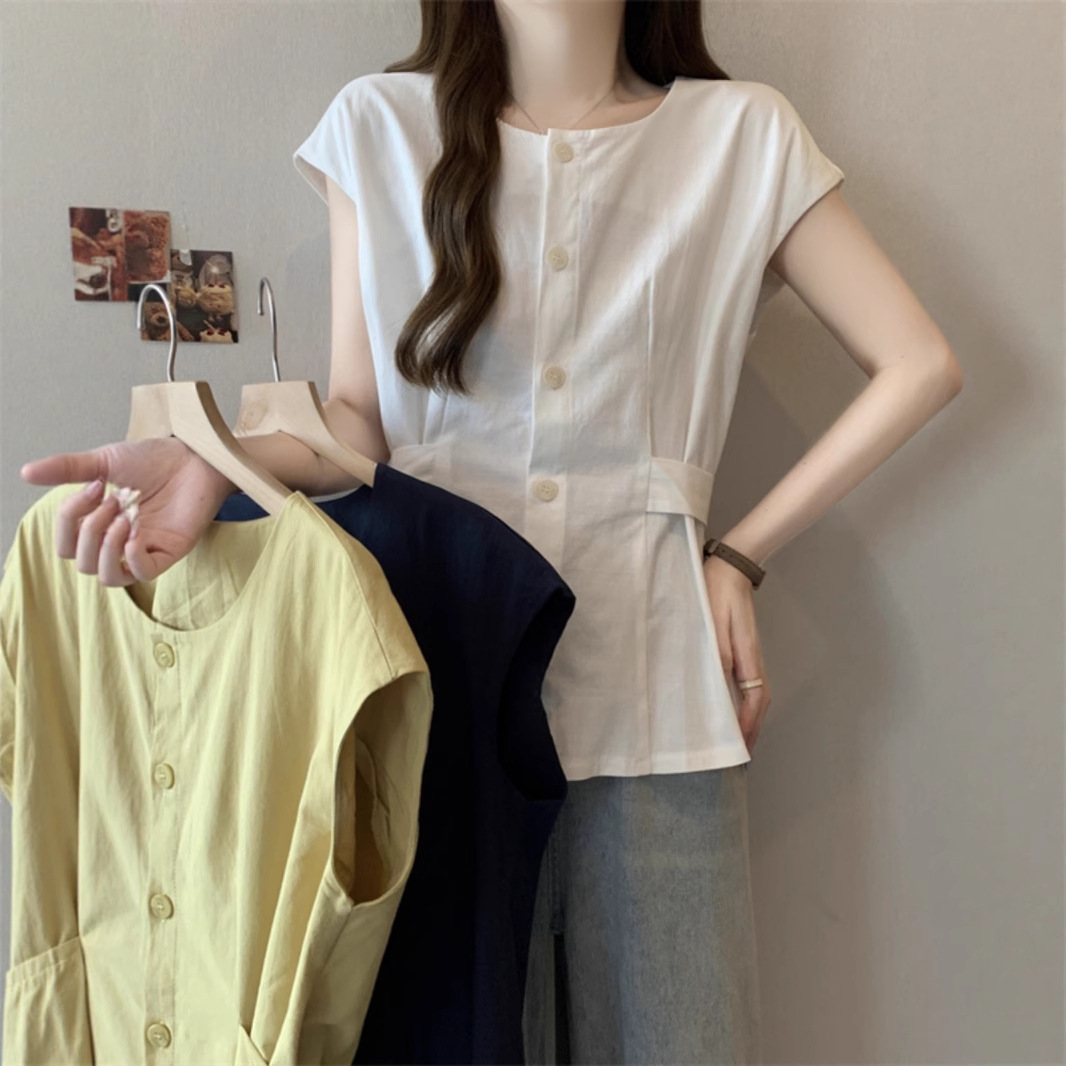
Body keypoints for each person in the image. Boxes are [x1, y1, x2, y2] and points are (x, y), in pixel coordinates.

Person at [18, 1, 964, 1062]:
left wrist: (737, 555)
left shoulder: (742, 136)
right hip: (429, 696)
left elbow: (920, 364)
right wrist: (214, 461)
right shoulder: (379, 125)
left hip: (654, 703)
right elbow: (356, 422)